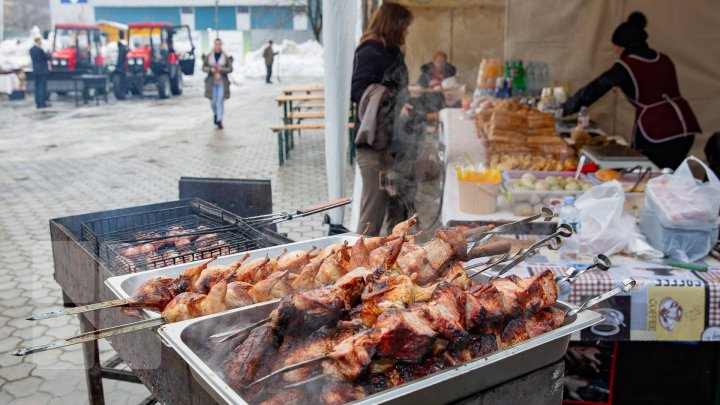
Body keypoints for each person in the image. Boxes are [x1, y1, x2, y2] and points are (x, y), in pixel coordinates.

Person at [562, 12, 701, 170]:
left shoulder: (626, 66)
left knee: (649, 173)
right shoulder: (663, 58)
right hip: (685, 126)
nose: (615, 51)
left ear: (623, 47)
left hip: (657, 130)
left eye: (615, 46)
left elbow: (596, 88)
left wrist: (565, 108)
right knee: (667, 173)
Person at [351, 3, 414, 236]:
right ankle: (359, 268)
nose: (407, 32)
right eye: (405, 26)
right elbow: (357, 91)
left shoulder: (392, 51)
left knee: (396, 207)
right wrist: (395, 103)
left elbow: (400, 88)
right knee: (372, 215)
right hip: (374, 151)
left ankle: (392, 261)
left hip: (391, 152)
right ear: (394, 24)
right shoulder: (370, 51)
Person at [202, 38, 233, 129]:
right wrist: (210, 70)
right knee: (213, 102)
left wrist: (221, 69)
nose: (217, 46)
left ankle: (219, 120)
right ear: (214, 45)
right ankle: (216, 114)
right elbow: (204, 67)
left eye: (219, 44)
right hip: (211, 83)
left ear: (221, 45)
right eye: (216, 44)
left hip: (222, 82)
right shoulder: (209, 56)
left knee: (220, 101)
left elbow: (230, 69)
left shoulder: (225, 57)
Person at [29, 36, 50, 108]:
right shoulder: (40, 50)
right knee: (42, 87)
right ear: (38, 41)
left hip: (35, 70)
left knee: (37, 87)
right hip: (42, 71)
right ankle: (42, 103)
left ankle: (37, 102)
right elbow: (47, 57)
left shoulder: (31, 50)